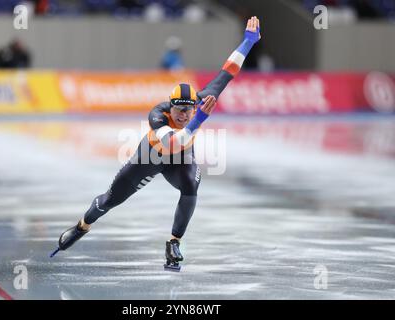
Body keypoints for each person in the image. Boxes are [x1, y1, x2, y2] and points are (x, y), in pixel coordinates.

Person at [51, 16, 262, 271]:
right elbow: (175, 141)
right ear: (170, 107)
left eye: (189, 111)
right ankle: (82, 225)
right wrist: (201, 118)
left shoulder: (201, 101)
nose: (184, 116)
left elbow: (227, 72)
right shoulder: (157, 116)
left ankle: (173, 242)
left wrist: (248, 42)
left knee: (191, 187)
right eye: (179, 111)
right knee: (109, 201)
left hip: (180, 159)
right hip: (150, 157)